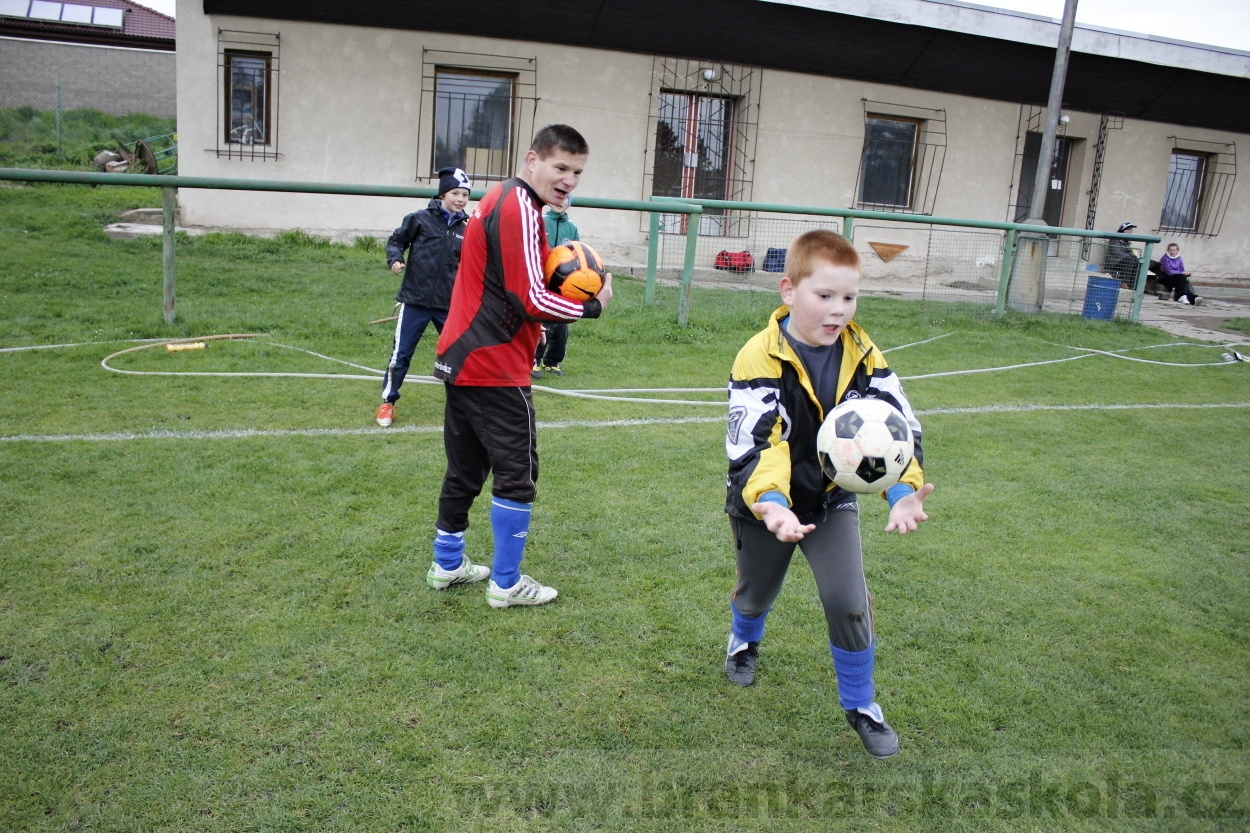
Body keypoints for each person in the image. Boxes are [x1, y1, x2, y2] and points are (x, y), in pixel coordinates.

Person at [723, 229, 933, 759]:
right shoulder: (757, 355)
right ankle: (743, 640)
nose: (839, 310)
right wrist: (771, 504)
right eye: (825, 296)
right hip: (764, 503)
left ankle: (861, 705)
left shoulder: (862, 352)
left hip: (830, 498)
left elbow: (898, 426)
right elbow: (757, 442)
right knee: (755, 592)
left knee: (848, 600)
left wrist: (901, 491)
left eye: (849, 297)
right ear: (788, 290)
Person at [427, 124, 613, 607]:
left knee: (465, 469)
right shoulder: (517, 207)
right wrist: (593, 305)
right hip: (494, 365)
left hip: (464, 357)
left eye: (577, 171)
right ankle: (506, 583)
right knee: (517, 472)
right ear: (533, 160)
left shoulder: (499, 199)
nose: (569, 179)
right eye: (561, 168)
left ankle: (447, 565)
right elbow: (528, 298)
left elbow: (511, 286)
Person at [375, 166, 473, 427]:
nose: (461, 199)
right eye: (455, 193)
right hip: (415, 301)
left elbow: (476, 263)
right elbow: (396, 240)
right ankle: (388, 402)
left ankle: (468, 406)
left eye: (465, 194)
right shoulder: (419, 219)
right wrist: (395, 258)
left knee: (459, 353)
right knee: (401, 354)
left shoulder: (470, 227)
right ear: (442, 194)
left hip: (449, 305)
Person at [532, 199, 580, 379]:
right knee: (543, 322)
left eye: (565, 199)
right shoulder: (541, 220)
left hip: (563, 282)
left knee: (562, 324)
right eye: (557, 198)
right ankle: (534, 360)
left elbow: (578, 254)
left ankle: (552, 361)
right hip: (542, 279)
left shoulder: (572, 228)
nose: (560, 202)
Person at [1105, 221, 1144, 287]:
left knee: (1137, 261)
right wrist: (1129, 256)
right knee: (1130, 260)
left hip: (1123, 261)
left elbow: (1130, 252)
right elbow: (1116, 251)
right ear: (1123, 230)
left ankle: (1133, 285)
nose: (1131, 231)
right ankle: (1124, 282)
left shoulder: (1126, 241)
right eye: (1129, 229)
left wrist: (1133, 256)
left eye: (1131, 230)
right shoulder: (1116, 238)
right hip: (1115, 262)